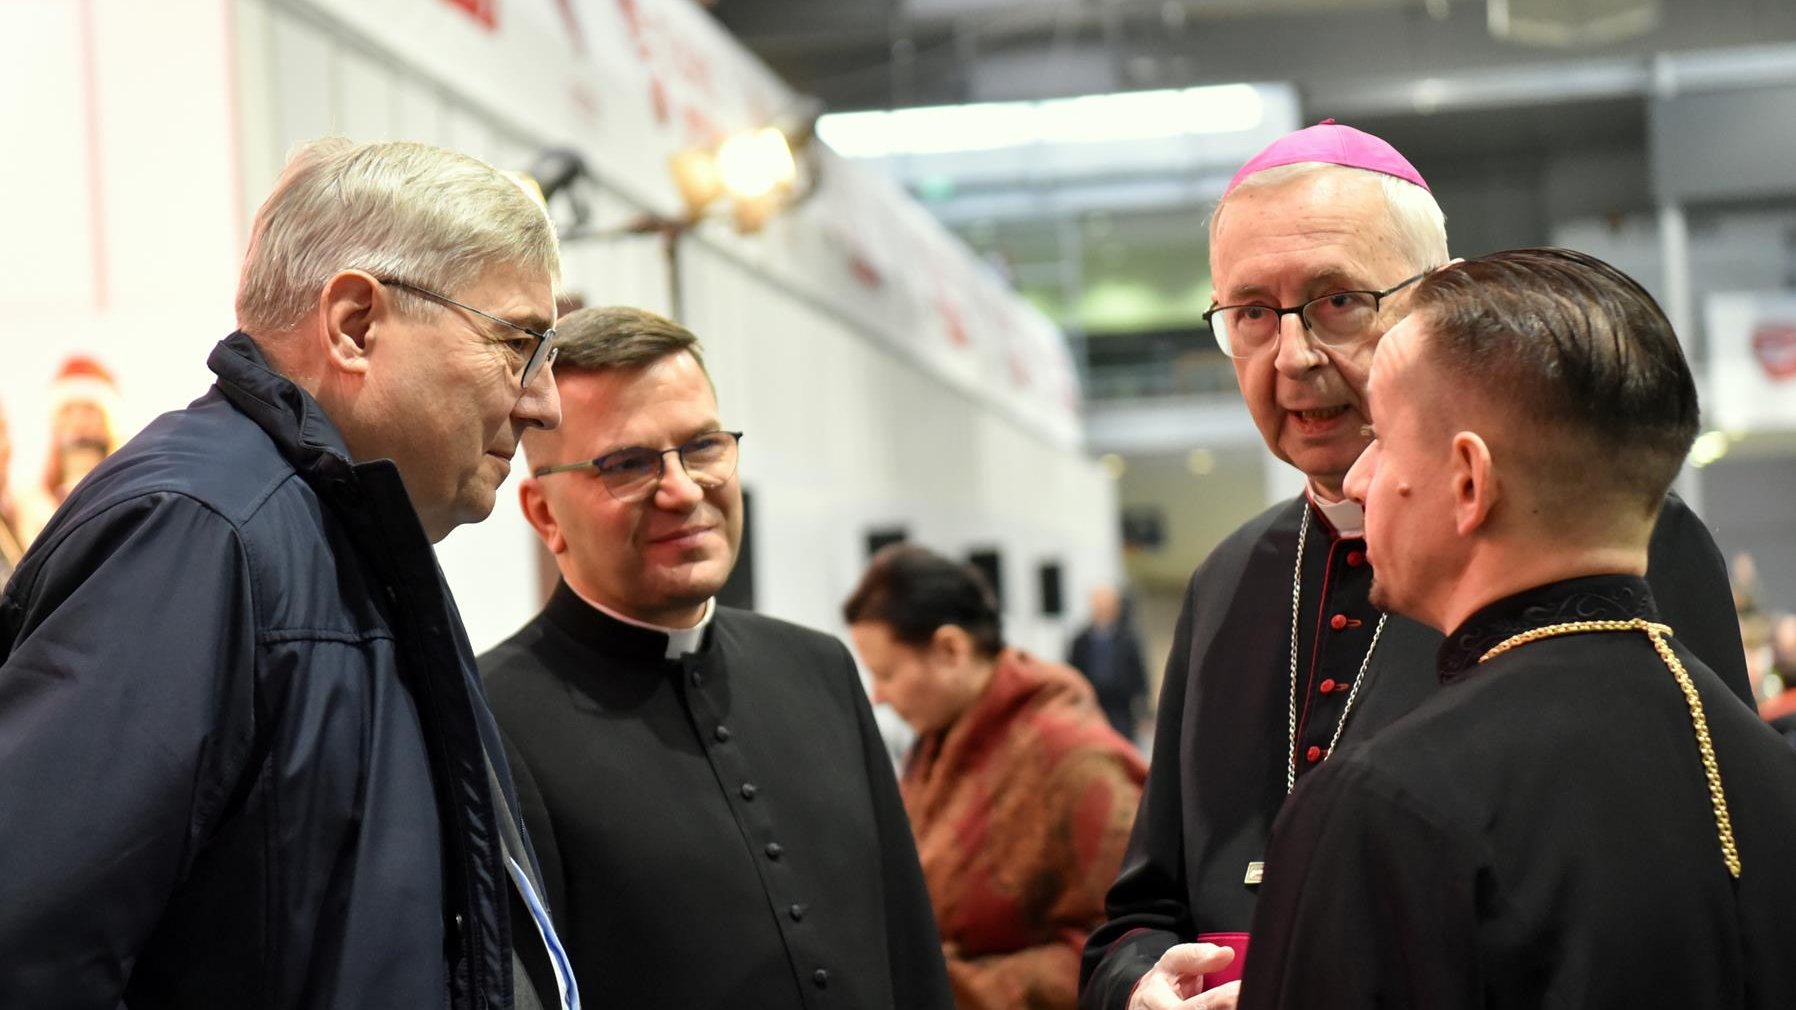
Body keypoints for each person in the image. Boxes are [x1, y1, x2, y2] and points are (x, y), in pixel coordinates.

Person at [1079, 122, 1754, 1010]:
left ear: (1436, 302)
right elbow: (1143, 905)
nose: (1292, 357)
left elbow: (1695, 889)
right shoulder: (1226, 576)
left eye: (1336, 302)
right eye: (1250, 314)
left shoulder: (1624, 540)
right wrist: (1139, 990)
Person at [0, 138, 579, 1010]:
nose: (545, 403)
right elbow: (28, 951)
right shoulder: (203, 532)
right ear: (354, 325)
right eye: (519, 344)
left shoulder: (324, 533)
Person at [1238, 248, 1796, 1008]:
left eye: (1385, 440)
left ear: (1470, 481)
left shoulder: (1383, 812)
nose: (1361, 479)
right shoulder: (1773, 777)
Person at [479, 306, 954, 1010]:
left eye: (702, 446)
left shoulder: (820, 669)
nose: (682, 489)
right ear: (544, 513)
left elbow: (911, 952)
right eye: (628, 464)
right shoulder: (491, 718)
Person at [844, 545, 1148, 1010]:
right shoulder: (937, 737)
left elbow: (1126, 948)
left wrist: (948, 984)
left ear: (950, 648)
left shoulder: (1076, 758)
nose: (878, 695)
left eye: (885, 673)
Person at [1067, 584, 1150, 740]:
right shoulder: (1081, 640)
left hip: (1121, 708)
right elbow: (1072, 673)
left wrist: (1143, 713)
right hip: (1091, 705)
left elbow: (1139, 676)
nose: (1102, 610)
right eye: (1098, 605)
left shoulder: (1128, 639)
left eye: (1106, 605)